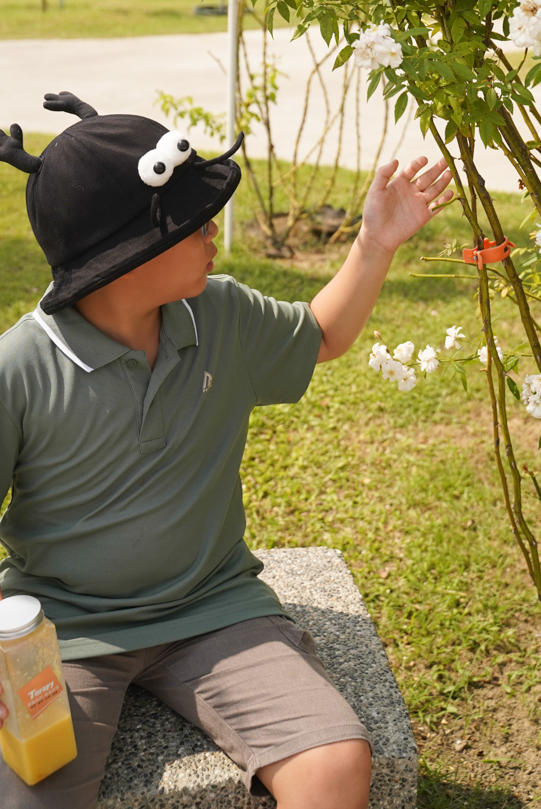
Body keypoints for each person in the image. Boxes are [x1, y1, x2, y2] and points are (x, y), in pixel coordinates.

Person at [0, 93, 454, 809]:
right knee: (26, 792)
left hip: (212, 610)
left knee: (335, 766)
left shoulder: (222, 313)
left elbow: (322, 336)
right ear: (120, 257)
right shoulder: (19, 369)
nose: (212, 227)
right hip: (65, 630)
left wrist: (375, 242)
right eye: (187, 220)